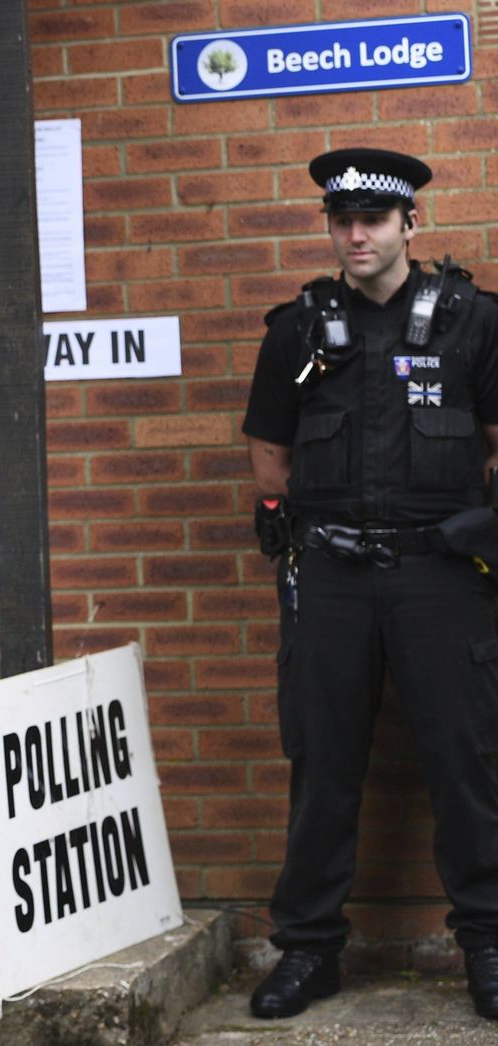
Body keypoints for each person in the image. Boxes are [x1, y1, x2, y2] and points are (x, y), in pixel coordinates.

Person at [242, 148, 498, 1021]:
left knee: (468, 762)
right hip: (333, 579)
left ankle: (489, 946)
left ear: (409, 226)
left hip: (443, 576)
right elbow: (270, 446)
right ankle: (309, 952)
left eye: (374, 220)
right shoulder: (299, 328)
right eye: (341, 220)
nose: (356, 234)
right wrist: (282, 519)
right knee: (323, 766)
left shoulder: (473, 321)